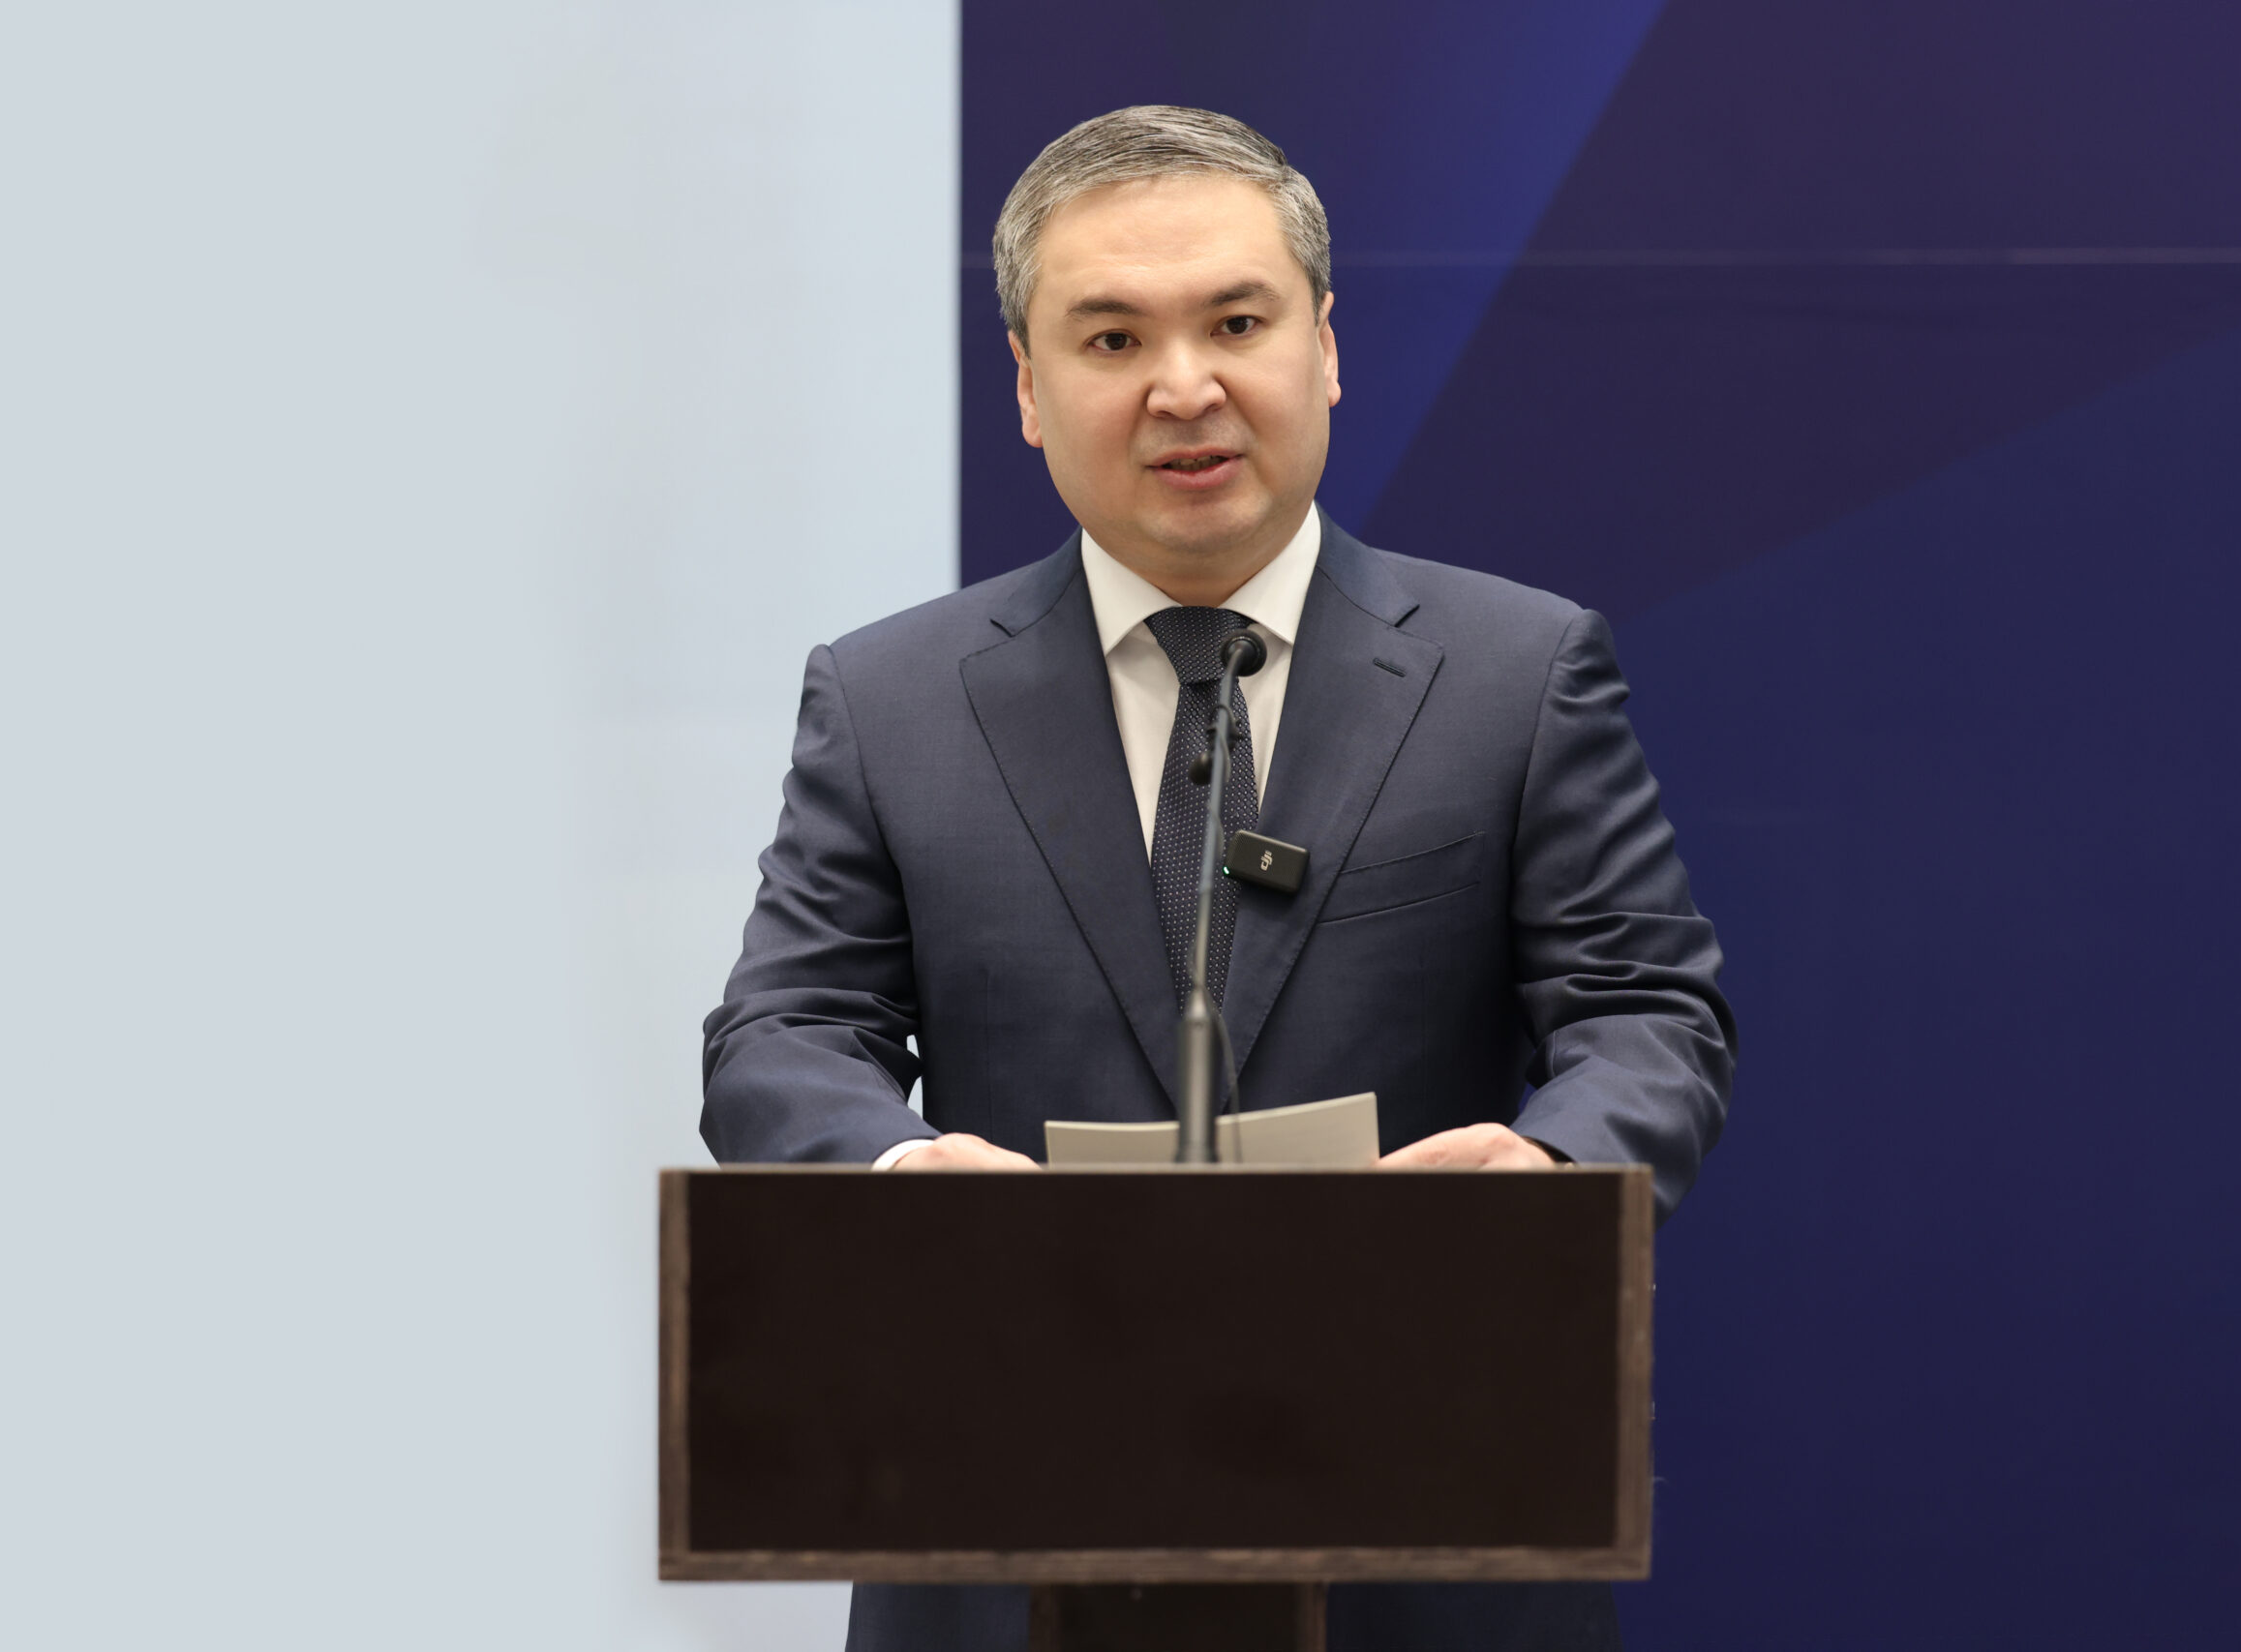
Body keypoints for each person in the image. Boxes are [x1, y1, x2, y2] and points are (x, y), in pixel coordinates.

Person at [702, 105, 1735, 1652]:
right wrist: (904, 1187)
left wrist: (1549, 1180)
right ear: (1029, 387)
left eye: (1236, 324)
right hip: (1009, 1526)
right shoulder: (889, 697)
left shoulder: (1518, 672)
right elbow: (779, 1039)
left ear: (1326, 346)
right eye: (1112, 338)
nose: (1184, 387)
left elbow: (1649, 1014)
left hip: (1423, 1528)